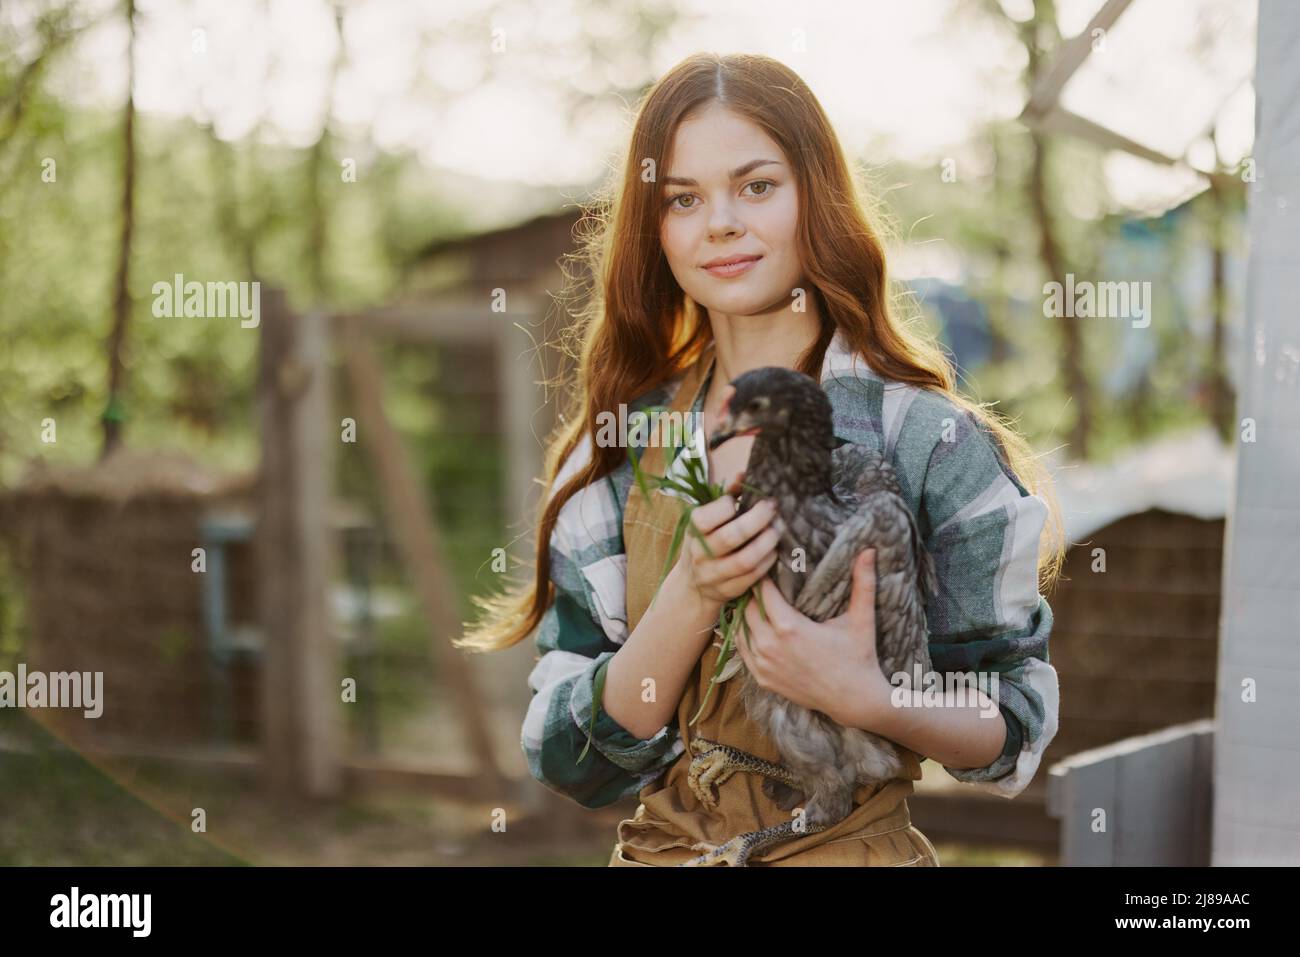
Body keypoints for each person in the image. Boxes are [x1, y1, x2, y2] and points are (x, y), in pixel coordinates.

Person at [459, 52, 1065, 866]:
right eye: (682, 198)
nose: (720, 223)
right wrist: (691, 593)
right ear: (657, 229)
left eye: (756, 186)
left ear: (815, 197)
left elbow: (1011, 722)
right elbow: (571, 760)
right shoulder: (625, 448)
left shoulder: (927, 440)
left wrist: (871, 697)